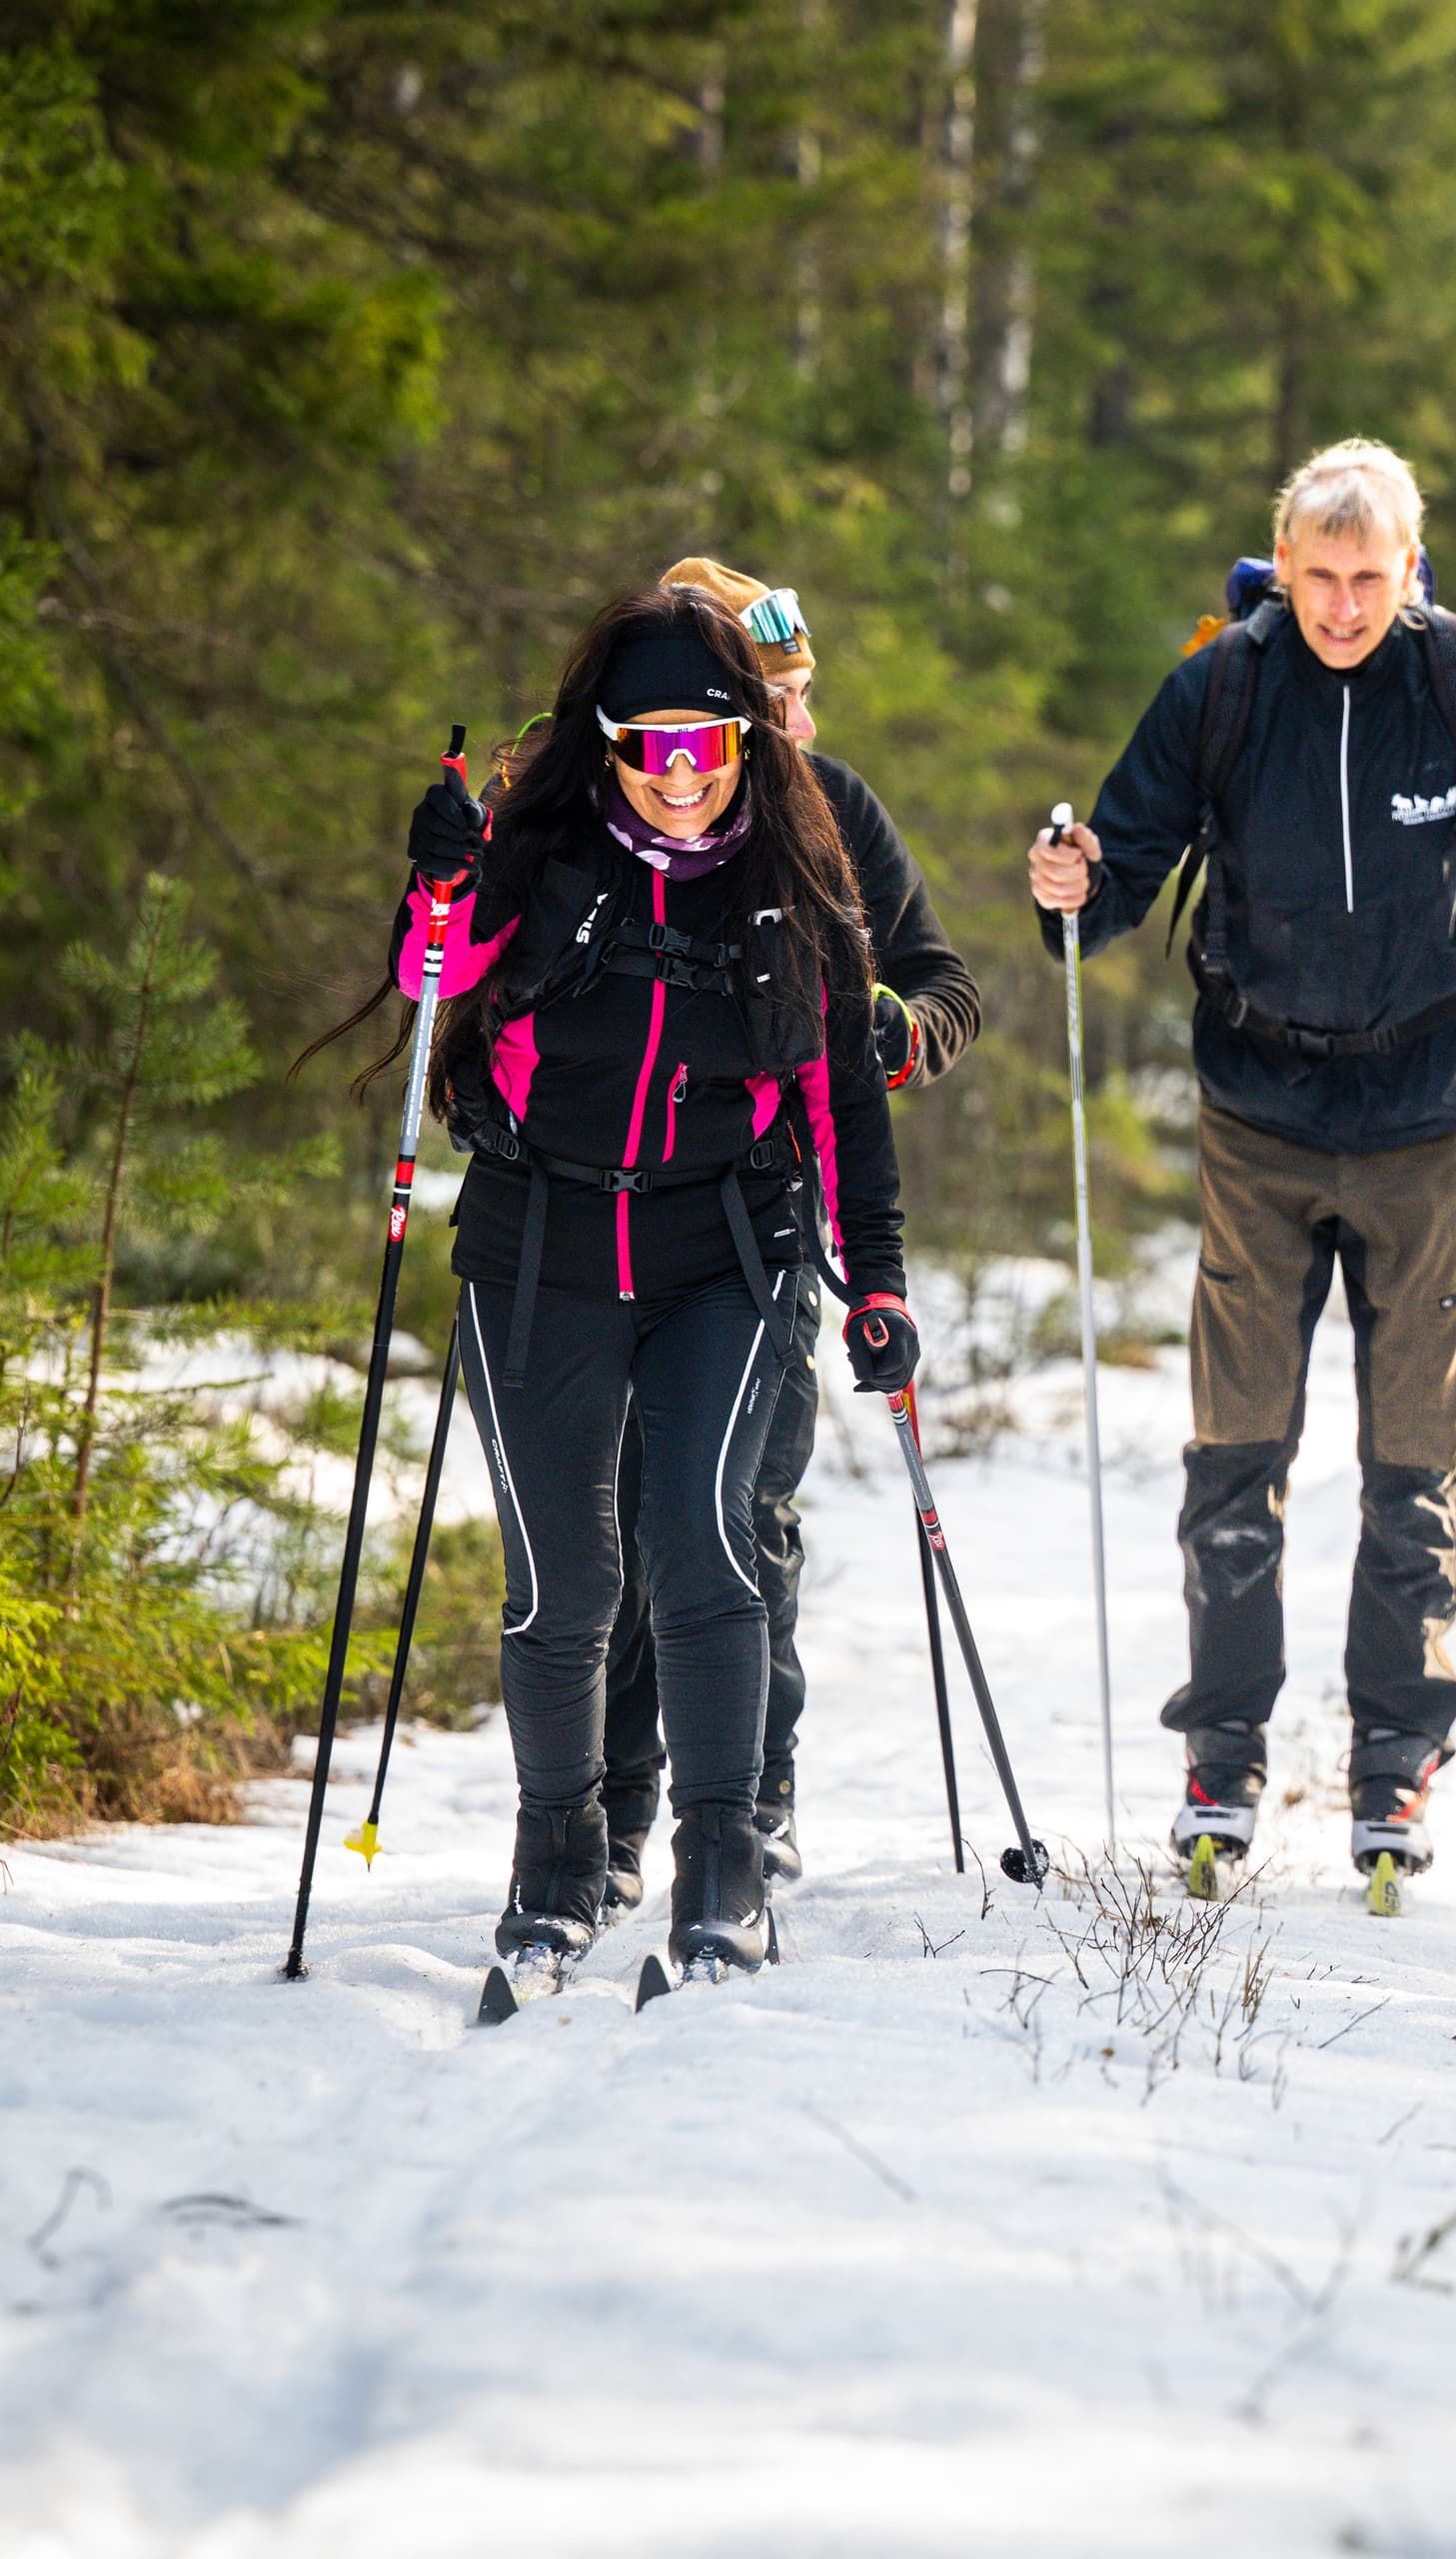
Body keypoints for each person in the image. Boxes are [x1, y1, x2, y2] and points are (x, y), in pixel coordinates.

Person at [1027, 438, 1456, 1902]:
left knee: (1412, 1463)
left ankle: (1393, 1758)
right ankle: (1225, 1753)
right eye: (1317, 576)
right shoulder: (1225, 687)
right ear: (1284, 565)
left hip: (1426, 1118)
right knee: (1236, 1454)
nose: (1340, 604)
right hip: (1258, 1111)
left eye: (1369, 576)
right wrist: (1073, 886)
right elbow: (1117, 864)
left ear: (1410, 568)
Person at [388, 585, 919, 1987]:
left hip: (718, 1261)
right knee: (563, 1586)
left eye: (711, 746)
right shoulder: (542, 850)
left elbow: (839, 1101)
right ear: (608, 746)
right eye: (652, 749)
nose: (683, 779)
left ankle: (726, 1869)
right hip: (539, 1251)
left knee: (705, 1541)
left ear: (748, 739)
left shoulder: (795, 879)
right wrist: (438, 876)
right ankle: (556, 1865)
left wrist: (880, 1284)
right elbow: (429, 974)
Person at [592, 558, 982, 1912]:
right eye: (776, 698)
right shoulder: (599, 816)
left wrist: (901, 1034)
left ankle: (755, 1797)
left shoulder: (834, 811)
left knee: (738, 1511)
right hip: (602, 1226)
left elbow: (949, 984)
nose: (800, 725)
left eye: (805, 692)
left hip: (773, 1226)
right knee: (626, 1524)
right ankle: (616, 1810)